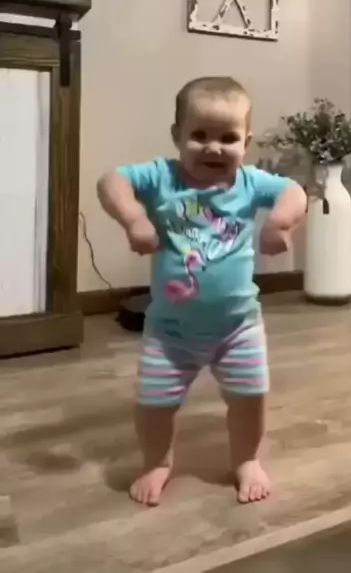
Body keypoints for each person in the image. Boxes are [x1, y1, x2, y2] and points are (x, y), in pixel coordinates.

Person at [97, 76, 307, 506]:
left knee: (250, 398)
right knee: (155, 403)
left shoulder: (250, 183)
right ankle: (157, 461)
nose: (214, 147)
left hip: (238, 327)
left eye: (228, 138)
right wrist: (134, 219)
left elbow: (294, 191)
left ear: (246, 142)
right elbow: (110, 181)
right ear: (177, 136)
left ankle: (247, 459)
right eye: (199, 135)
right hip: (171, 331)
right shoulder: (162, 177)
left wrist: (280, 222)